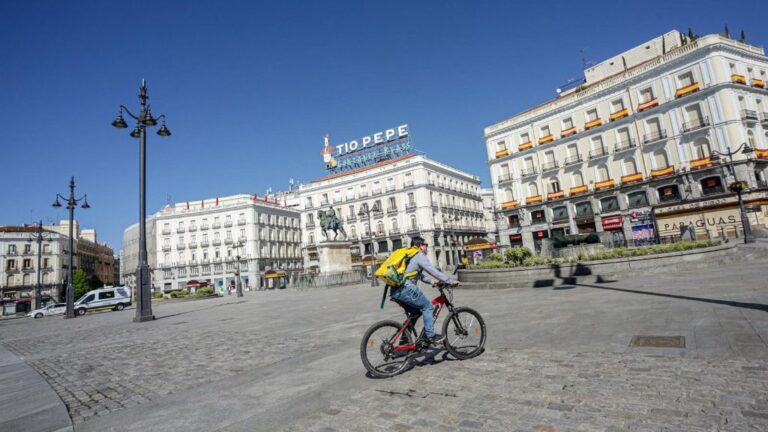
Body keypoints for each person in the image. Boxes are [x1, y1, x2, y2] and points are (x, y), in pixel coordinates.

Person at [390, 236, 458, 345]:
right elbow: (433, 270)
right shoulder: (419, 255)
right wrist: (449, 281)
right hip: (406, 288)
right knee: (428, 307)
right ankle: (430, 336)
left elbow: (418, 275)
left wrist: (432, 282)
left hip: (396, 290)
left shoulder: (410, 256)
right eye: (426, 245)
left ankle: (404, 340)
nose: (427, 247)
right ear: (421, 246)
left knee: (415, 313)